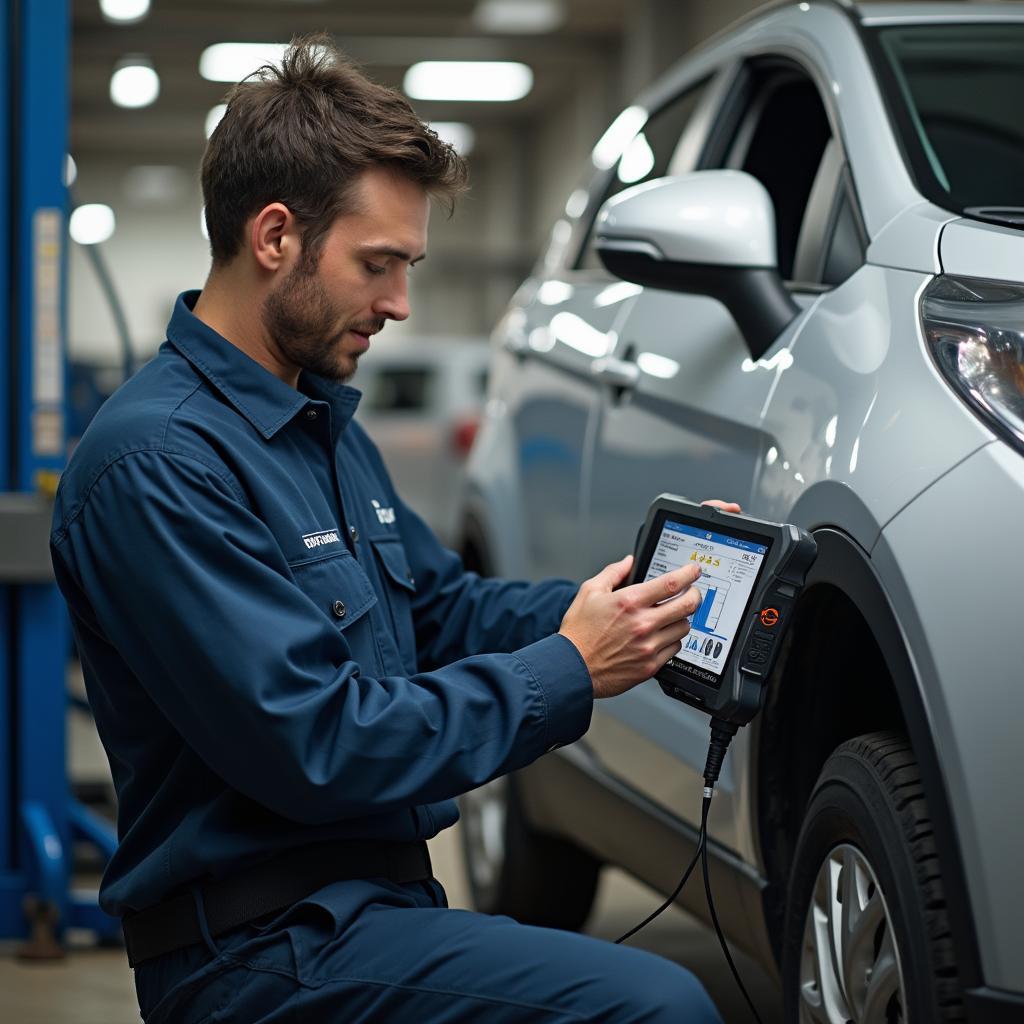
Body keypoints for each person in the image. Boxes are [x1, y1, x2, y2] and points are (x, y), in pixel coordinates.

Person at [51, 36, 729, 1023]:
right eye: (378, 265)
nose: (399, 305)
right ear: (274, 236)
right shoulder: (158, 465)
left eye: (407, 266)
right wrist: (570, 668)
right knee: (658, 1006)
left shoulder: (320, 424)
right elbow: (323, 743)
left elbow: (443, 611)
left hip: (370, 911)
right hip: (254, 952)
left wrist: (640, 601)